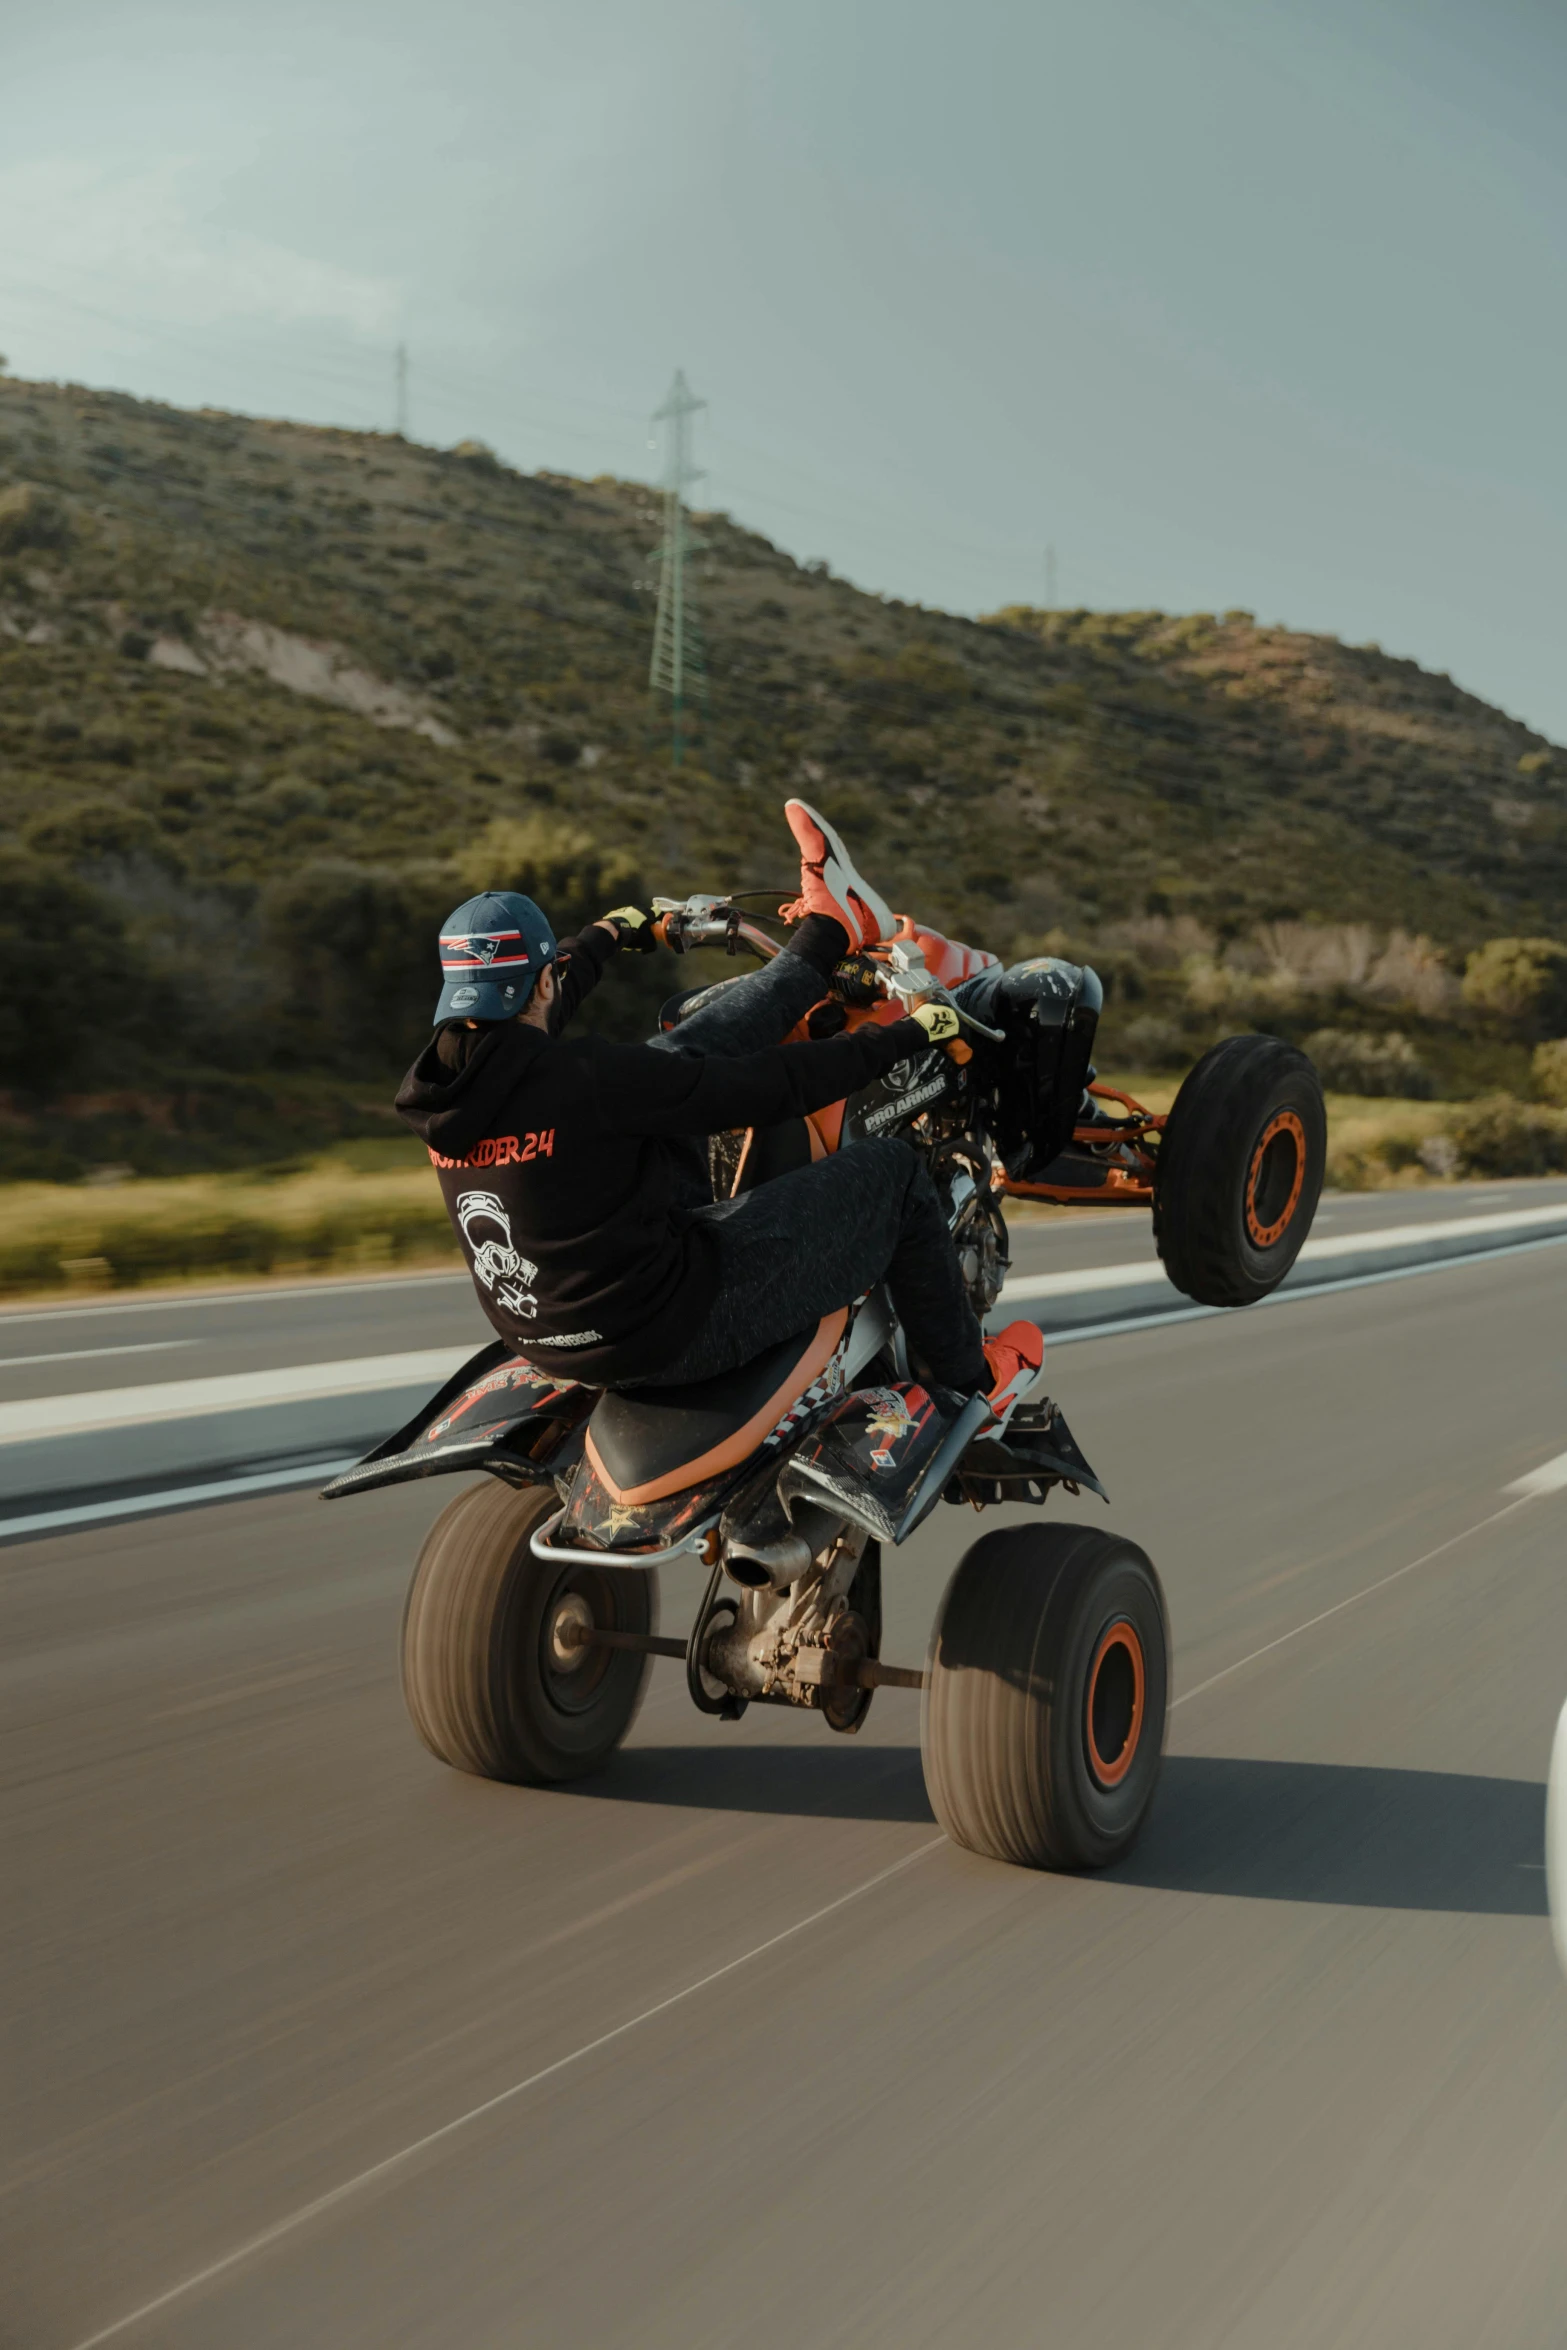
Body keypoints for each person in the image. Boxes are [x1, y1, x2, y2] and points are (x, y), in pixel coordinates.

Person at [395, 801, 1042, 1406]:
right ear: (541, 979)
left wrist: (606, 938)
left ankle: (828, 933)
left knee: (671, 1066)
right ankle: (968, 1380)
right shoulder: (590, 1079)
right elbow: (771, 1085)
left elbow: (532, 1013)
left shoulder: (445, 1085)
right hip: (664, 1332)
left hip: (547, 1339)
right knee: (895, 1173)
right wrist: (907, 1034)